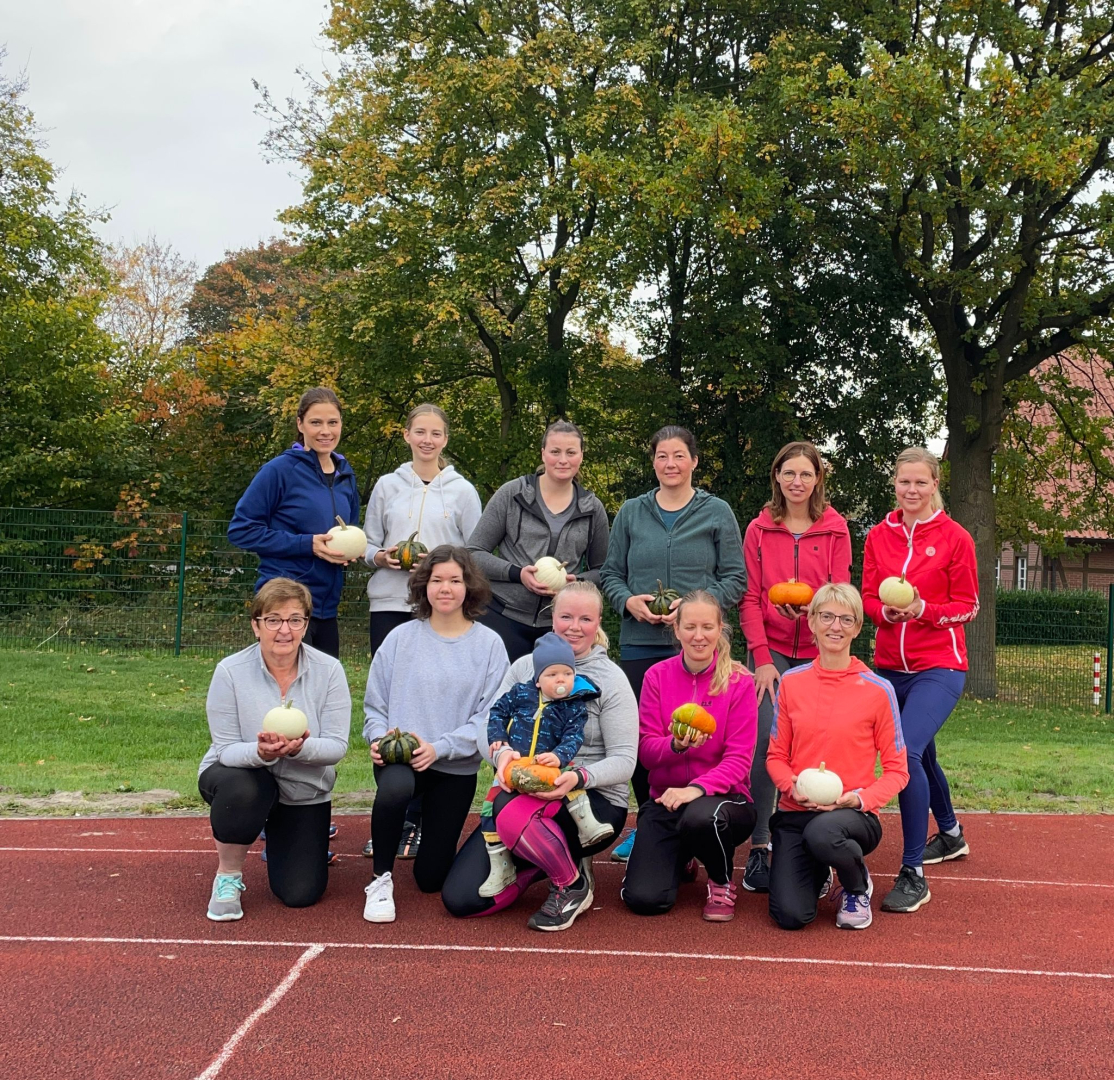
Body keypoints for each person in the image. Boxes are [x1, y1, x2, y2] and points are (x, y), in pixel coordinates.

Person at [441, 581, 637, 931]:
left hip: (589, 800)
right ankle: (551, 858)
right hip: (522, 789)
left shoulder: (611, 679)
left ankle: (570, 883)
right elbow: (491, 724)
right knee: (462, 899)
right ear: (552, 618)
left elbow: (625, 761)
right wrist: (501, 758)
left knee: (504, 808)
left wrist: (575, 778)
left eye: (585, 619)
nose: (574, 626)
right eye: (566, 616)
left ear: (598, 623)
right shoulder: (524, 669)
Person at [600, 426, 747, 861]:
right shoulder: (630, 511)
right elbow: (610, 574)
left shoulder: (716, 512)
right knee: (646, 739)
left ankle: (698, 814)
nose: (670, 464)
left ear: (694, 461)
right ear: (654, 462)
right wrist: (628, 602)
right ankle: (651, 817)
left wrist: (694, 608)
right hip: (641, 644)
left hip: (699, 643)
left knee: (705, 734)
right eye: (662, 456)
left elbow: (735, 578)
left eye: (679, 455)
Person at [361, 403, 483, 860]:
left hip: (443, 604)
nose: (427, 440)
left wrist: (448, 577)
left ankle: (434, 805)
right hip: (393, 603)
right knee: (399, 699)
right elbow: (368, 540)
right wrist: (380, 557)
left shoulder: (463, 490)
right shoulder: (388, 485)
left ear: (445, 439)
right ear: (407, 435)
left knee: (441, 697)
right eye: (420, 432)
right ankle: (400, 814)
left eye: (436, 433)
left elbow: (475, 549)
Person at [361, 545, 508, 923]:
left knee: (431, 880)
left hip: (453, 766)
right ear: (423, 585)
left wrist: (440, 748)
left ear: (469, 586)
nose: (446, 588)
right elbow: (374, 706)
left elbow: (490, 716)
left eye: (455, 580)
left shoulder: (489, 645)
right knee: (394, 789)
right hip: (402, 759)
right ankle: (380, 880)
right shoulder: (400, 638)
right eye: (437, 580)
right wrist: (378, 739)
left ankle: (433, 840)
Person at [862, 447, 979, 914]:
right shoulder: (877, 535)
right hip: (889, 668)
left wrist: (924, 611)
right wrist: (884, 612)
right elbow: (869, 596)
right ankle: (949, 833)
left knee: (904, 752)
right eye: (903, 482)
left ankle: (913, 872)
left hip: (940, 667)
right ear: (895, 484)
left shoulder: (956, 538)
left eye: (920, 483)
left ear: (935, 484)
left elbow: (968, 605)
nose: (911, 491)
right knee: (921, 752)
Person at [198, 578, 350, 921]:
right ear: (256, 625)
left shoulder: (329, 671)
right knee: (246, 788)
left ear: (306, 625)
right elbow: (225, 750)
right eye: (273, 620)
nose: (285, 630)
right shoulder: (230, 671)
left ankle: (281, 832)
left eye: (295, 619)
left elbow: (337, 746)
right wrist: (262, 754)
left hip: (303, 788)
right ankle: (228, 875)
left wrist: (298, 750)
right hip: (243, 776)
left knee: (300, 894)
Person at [738, 441, 852, 894]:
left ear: (818, 478)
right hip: (773, 652)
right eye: (789, 474)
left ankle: (815, 849)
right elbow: (749, 598)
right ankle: (761, 847)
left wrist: (816, 620)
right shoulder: (760, 529)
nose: (797, 482)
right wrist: (762, 660)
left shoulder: (836, 528)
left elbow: (840, 597)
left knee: (816, 745)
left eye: (806, 474)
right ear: (777, 477)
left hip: (821, 651)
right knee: (768, 741)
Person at [766, 583, 909, 931]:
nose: (836, 626)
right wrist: (791, 786)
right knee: (790, 916)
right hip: (796, 811)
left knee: (824, 834)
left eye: (846, 619)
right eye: (827, 616)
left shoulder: (878, 689)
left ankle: (857, 885)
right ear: (812, 621)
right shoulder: (792, 682)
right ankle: (819, 870)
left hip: (851, 817)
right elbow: (775, 756)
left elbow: (897, 771)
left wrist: (859, 799)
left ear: (858, 627)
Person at [620, 591, 758, 922]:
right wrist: (676, 746)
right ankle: (683, 855)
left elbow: (739, 760)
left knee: (700, 817)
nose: (699, 636)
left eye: (708, 626)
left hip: (725, 803)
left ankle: (721, 881)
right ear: (677, 630)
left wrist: (696, 789)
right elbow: (647, 753)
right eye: (691, 627)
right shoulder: (657, 676)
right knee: (644, 899)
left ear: (720, 628)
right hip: (666, 801)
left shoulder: (739, 681)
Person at [228, 387, 362, 659]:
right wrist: (307, 544)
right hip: (285, 607)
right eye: (316, 422)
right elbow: (241, 530)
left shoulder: (346, 476)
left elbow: (350, 530)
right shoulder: (279, 470)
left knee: (320, 694)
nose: (325, 431)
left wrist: (350, 552)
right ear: (300, 424)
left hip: (326, 608)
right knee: (283, 695)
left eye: (332, 423)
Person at [479, 632, 612, 897]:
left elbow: (574, 736)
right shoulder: (520, 693)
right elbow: (496, 713)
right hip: (516, 765)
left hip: (548, 764)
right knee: (488, 809)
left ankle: (587, 827)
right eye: (552, 674)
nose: (560, 680)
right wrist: (498, 741)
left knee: (569, 783)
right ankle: (501, 865)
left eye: (566, 673)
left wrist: (560, 756)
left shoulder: (573, 706)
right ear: (538, 679)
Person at [468, 420, 610, 662]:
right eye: (555, 451)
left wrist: (577, 582)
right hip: (502, 617)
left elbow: (604, 570)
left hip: (560, 629)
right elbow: (473, 553)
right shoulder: (512, 494)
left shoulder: (592, 508)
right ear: (543, 453)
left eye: (571, 452)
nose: (562, 460)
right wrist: (517, 573)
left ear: (581, 456)